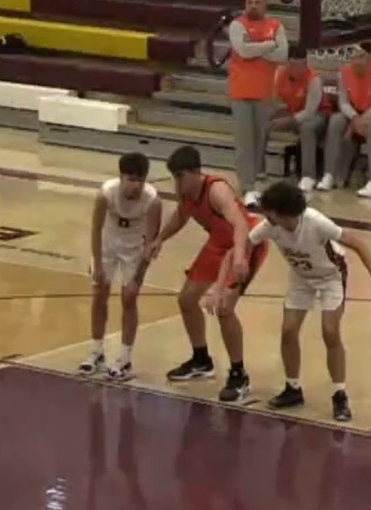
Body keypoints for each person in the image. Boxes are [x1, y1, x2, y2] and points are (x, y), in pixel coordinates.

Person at [204, 181, 371, 421]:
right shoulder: (270, 226)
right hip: (301, 278)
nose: (265, 214)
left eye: (269, 210)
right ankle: (293, 388)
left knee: (330, 331)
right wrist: (218, 288)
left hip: (331, 276)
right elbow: (234, 251)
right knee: (288, 331)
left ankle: (339, 395)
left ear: (281, 212)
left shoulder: (315, 222)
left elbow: (358, 243)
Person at [145, 145, 268, 402]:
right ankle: (201, 360)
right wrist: (160, 239)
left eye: (181, 176)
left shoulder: (217, 190)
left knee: (224, 308)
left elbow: (240, 224)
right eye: (174, 176)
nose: (177, 182)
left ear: (196, 173)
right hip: (218, 243)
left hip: (247, 242)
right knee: (186, 300)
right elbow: (181, 216)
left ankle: (238, 373)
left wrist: (238, 257)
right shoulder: (186, 194)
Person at [78, 152, 162, 380]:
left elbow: (151, 243)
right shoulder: (106, 194)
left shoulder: (153, 201)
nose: (134, 185)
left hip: (134, 249)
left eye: (139, 180)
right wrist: (96, 263)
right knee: (99, 294)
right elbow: (95, 230)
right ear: (121, 176)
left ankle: (124, 358)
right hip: (107, 245)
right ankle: (96, 351)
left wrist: (139, 278)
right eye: (130, 179)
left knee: (129, 298)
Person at [227, 0, 289, 208]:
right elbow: (243, 51)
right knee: (245, 141)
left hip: (264, 93)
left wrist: (257, 48)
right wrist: (269, 44)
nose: (253, 5)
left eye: (257, 2)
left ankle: (255, 182)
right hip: (241, 92)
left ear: (265, 5)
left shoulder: (276, 26)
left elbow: (283, 54)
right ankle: (247, 187)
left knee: (259, 140)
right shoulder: (237, 25)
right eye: (249, 2)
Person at [266, 47, 331, 192]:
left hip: (318, 115)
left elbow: (309, 112)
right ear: (288, 64)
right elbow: (273, 101)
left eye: (302, 65)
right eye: (295, 65)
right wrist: (268, 116)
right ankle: (258, 169)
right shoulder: (280, 74)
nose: (299, 69)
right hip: (294, 113)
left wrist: (287, 121)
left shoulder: (313, 79)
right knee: (261, 123)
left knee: (306, 127)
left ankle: (308, 176)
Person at [316, 43, 371, 195]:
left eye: (360, 57)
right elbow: (343, 102)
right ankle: (330, 174)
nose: (356, 61)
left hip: (368, 114)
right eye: (353, 57)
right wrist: (354, 119)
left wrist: (360, 121)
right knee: (336, 121)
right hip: (353, 112)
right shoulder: (344, 73)